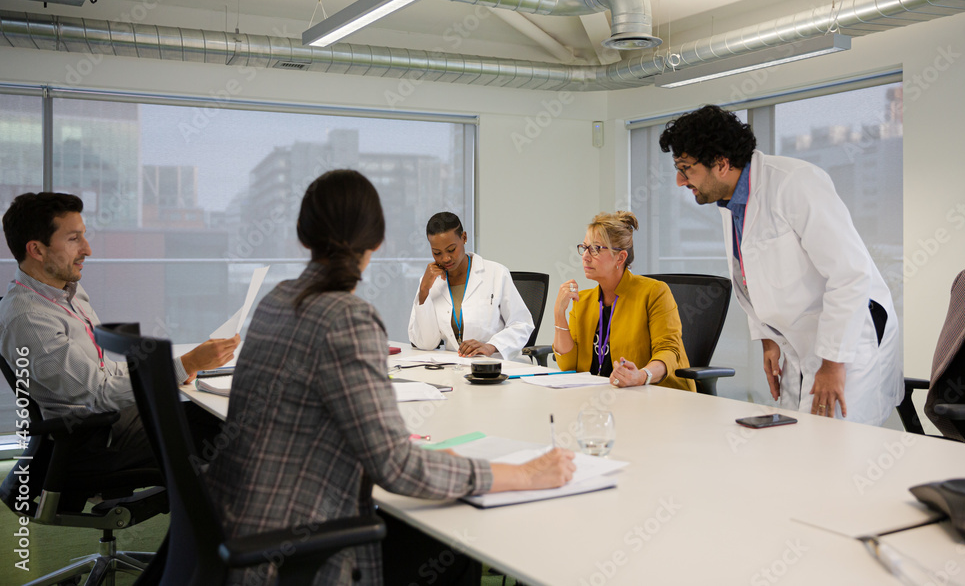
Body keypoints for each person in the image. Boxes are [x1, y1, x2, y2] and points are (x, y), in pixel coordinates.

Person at [203, 170, 575, 586]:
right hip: (298, 550)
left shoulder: (277, 300)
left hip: (235, 529)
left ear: (303, 236)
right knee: (452, 546)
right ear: (376, 241)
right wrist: (525, 474)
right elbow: (396, 467)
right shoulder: (348, 317)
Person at [659, 105, 902, 424]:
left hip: (850, 338)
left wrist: (832, 364)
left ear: (721, 163)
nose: (679, 180)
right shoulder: (731, 202)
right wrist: (768, 338)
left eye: (686, 168)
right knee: (798, 439)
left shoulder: (795, 183)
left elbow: (850, 274)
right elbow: (752, 275)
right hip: (798, 340)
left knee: (841, 446)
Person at [0, 192, 239, 474]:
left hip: (111, 420)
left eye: (84, 236)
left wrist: (174, 369)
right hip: (96, 440)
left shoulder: (66, 292)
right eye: (74, 239)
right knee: (229, 427)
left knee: (218, 415)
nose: (87, 249)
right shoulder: (30, 318)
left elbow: (101, 371)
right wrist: (186, 365)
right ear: (37, 250)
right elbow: (97, 394)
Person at [552, 211, 695, 391]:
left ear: (620, 257)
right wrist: (559, 314)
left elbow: (669, 351)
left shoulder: (654, 292)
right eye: (585, 247)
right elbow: (568, 366)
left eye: (596, 249)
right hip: (603, 397)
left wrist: (642, 376)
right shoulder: (583, 301)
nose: (585, 256)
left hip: (654, 396)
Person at [408, 212, 533, 358]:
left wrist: (491, 346)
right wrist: (424, 290)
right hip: (456, 367)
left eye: (451, 250)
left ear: (464, 238)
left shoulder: (496, 273)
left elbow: (522, 324)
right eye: (437, 253)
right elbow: (426, 344)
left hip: (495, 366)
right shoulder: (430, 282)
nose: (446, 258)